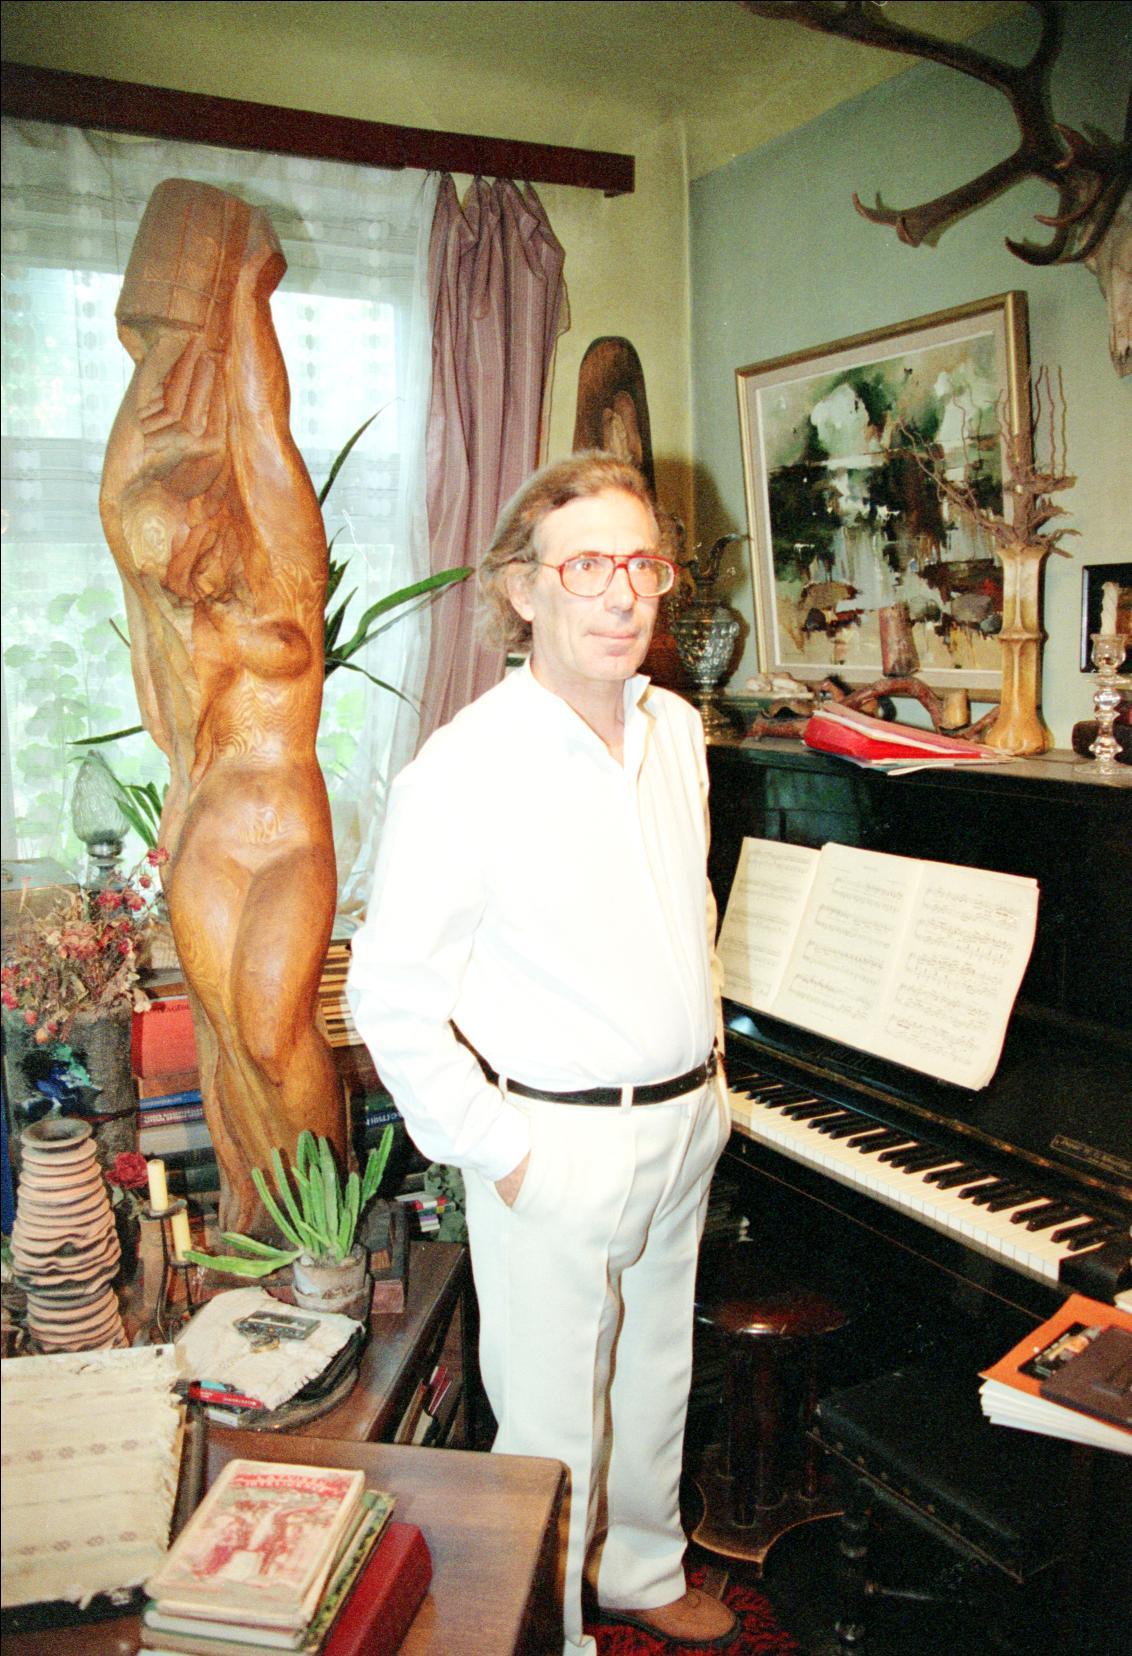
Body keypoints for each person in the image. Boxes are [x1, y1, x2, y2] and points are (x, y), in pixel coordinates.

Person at [347, 453, 735, 1652]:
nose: (622, 594)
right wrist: (502, 1152)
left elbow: (688, 915)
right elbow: (390, 996)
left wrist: (709, 1082)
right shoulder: (463, 770)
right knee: (551, 1426)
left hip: (683, 1121)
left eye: (642, 564)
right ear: (522, 588)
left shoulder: (675, 730)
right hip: (554, 1145)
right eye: (587, 567)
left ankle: (639, 1569)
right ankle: (551, 1631)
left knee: (654, 1372)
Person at [101, 179, 345, 1232]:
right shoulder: (178, 605)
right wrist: (152, 369)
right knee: (229, 1052)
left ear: (223, 511)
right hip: (206, 835)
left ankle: (328, 1221)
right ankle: (264, 1225)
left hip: (288, 834)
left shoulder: (286, 562)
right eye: (170, 580)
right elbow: (116, 505)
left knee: (274, 1034)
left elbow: (261, 419)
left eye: (195, 559)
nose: (185, 587)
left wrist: (244, 295)